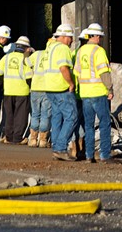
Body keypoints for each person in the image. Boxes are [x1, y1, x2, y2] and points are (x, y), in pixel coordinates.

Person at [74, 22, 115, 163]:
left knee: (88, 126)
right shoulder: (99, 51)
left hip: (85, 94)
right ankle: (104, 155)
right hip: (98, 92)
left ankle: (89, 155)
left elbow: (77, 72)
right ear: (96, 36)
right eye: (100, 36)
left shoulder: (80, 51)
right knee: (104, 123)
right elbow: (104, 72)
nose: (100, 39)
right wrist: (110, 89)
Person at [42, 24, 78, 161]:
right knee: (72, 117)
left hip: (49, 87)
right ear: (63, 37)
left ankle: (56, 147)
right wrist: (71, 83)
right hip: (60, 87)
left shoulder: (49, 48)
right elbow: (63, 68)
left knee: (57, 118)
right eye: (70, 37)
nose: (71, 40)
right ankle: (60, 148)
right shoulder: (62, 49)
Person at [0, 34, 32, 145]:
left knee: (9, 115)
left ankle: (9, 137)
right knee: (20, 115)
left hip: (8, 90)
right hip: (22, 91)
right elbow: (29, 76)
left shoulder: (6, 57)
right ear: (26, 48)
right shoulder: (25, 59)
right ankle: (17, 138)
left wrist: (3, 81)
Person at [26, 34, 53, 148]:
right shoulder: (53, 56)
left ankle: (32, 139)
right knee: (45, 115)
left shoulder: (37, 54)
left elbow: (27, 62)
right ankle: (43, 140)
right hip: (48, 88)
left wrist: (27, 53)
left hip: (35, 87)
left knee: (35, 114)